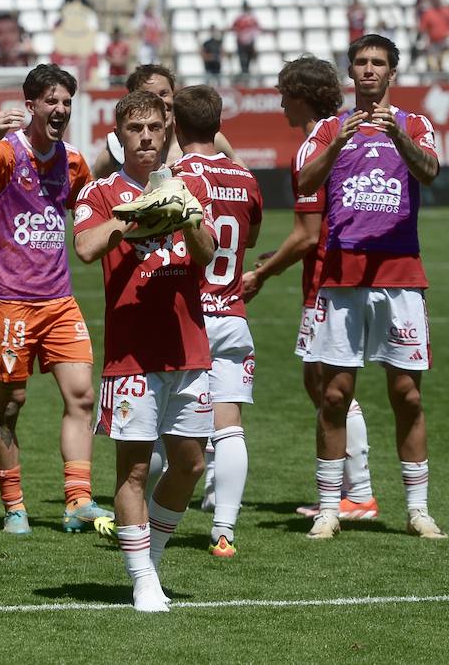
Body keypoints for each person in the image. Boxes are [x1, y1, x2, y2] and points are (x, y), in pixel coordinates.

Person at [294, 34, 446, 541]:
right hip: (341, 277)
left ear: (392, 73)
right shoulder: (329, 128)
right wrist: (339, 142)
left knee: (406, 395)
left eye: (378, 63)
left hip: (400, 276)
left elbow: (432, 172)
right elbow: (303, 184)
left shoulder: (415, 124)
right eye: (360, 62)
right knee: (334, 395)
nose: (368, 70)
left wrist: (398, 137)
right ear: (350, 72)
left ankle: (418, 510)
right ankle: (329, 507)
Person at [72, 89, 217, 612]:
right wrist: (135, 220)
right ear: (120, 136)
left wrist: (182, 215)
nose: (148, 137)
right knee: (133, 470)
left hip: (189, 347)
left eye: (156, 126)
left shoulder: (189, 184)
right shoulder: (101, 192)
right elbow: (86, 249)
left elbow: (207, 253)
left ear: (168, 129)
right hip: (131, 354)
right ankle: (141, 580)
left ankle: (150, 555)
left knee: (191, 464)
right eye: (137, 129)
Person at [0, 65, 111, 535]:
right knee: (10, 405)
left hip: (59, 300)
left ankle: (77, 500)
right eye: (52, 101)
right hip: (8, 301)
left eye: (67, 102)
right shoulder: (8, 152)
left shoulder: (72, 161)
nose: (61, 110)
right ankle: (14, 507)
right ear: (31, 106)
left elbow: (88, 206)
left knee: (82, 395)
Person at [245, 56, 379, 523]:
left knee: (329, 386)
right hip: (334, 276)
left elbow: (307, 235)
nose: (280, 102)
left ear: (300, 96)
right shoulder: (334, 136)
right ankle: (355, 489)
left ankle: (358, 492)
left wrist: (262, 274)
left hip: (327, 280)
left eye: (285, 93)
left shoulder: (315, 146)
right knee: (320, 381)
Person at [173, 86, 263, 558]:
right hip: (231, 313)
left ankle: (152, 517)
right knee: (229, 427)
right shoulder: (245, 178)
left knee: (165, 420)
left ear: (175, 126)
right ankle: (223, 530)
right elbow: (251, 234)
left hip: (189, 316)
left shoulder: (176, 175)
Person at [92, 65, 242, 179]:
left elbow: (245, 183)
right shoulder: (116, 150)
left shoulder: (205, 139)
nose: (160, 102)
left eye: (164, 93)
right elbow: (88, 198)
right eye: (149, 95)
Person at [417, 0, 449, 72]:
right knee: (423, 46)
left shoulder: (448, 11)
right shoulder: (428, 13)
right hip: (433, 42)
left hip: (446, 40)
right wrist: (426, 41)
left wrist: (447, 34)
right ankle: (429, 68)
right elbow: (423, 29)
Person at [231, 4, 260, 77]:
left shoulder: (251, 18)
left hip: (247, 41)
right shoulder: (242, 18)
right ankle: (245, 71)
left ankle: (247, 71)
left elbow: (256, 29)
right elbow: (234, 28)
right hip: (243, 41)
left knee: (247, 57)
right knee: (243, 58)